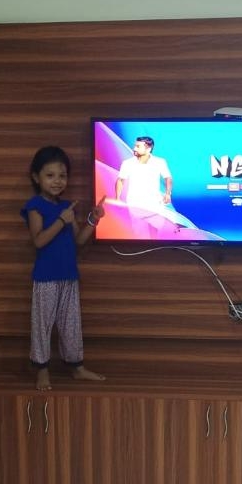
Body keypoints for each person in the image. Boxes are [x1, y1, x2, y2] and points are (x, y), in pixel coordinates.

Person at [21, 145, 106, 391]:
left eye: (62, 175)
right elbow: (38, 241)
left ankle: (76, 368)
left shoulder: (67, 207)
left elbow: (78, 241)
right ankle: (41, 371)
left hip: (69, 276)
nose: (57, 181)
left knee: (71, 324)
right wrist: (61, 220)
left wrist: (93, 220)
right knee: (42, 325)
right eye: (50, 175)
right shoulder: (35, 206)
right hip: (46, 277)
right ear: (36, 177)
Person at [115, 136, 173, 211]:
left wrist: (168, 193)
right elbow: (120, 180)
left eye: (138, 146)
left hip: (155, 205)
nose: (134, 148)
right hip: (134, 204)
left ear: (148, 149)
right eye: (135, 146)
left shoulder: (159, 162)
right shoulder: (127, 163)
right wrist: (117, 198)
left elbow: (168, 178)